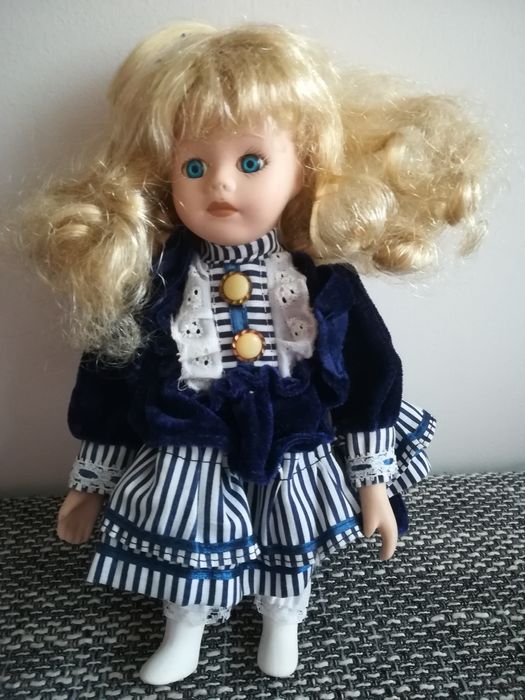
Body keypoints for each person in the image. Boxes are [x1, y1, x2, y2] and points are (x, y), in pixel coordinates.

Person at [19, 22, 487, 684]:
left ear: (304, 168)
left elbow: (368, 376)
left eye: (250, 162)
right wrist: (89, 484)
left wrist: (372, 483)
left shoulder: (323, 284)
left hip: (293, 445)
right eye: (193, 166)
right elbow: (113, 381)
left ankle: (282, 619)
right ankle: (185, 625)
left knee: (287, 542)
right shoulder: (157, 283)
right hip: (193, 452)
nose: (220, 186)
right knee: (190, 546)